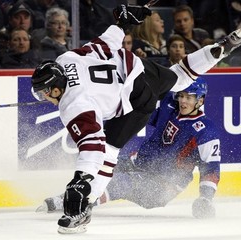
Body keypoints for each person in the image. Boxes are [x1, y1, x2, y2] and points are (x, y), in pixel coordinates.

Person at [31, 3, 241, 234]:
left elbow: (93, 147)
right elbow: (105, 43)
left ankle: (83, 208)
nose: (45, 97)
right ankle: (223, 46)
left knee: (109, 153)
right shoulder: (67, 58)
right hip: (137, 68)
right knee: (179, 78)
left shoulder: (74, 104)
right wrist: (123, 23)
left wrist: (81, 178)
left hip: (140, 110)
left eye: (44, 93)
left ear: (56, 89)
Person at [38, 77, 220, 220]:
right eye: (181, 96)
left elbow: (211, 168)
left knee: (120, 182)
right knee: (98, 166)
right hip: (139, 164)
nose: (183, 101)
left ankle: (78, 208)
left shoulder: (206, 131)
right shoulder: (171, 108)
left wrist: (206, 198)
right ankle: (65, 199)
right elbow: (141, 110)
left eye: (189, 97)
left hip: (163, 186)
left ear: (200, 100)